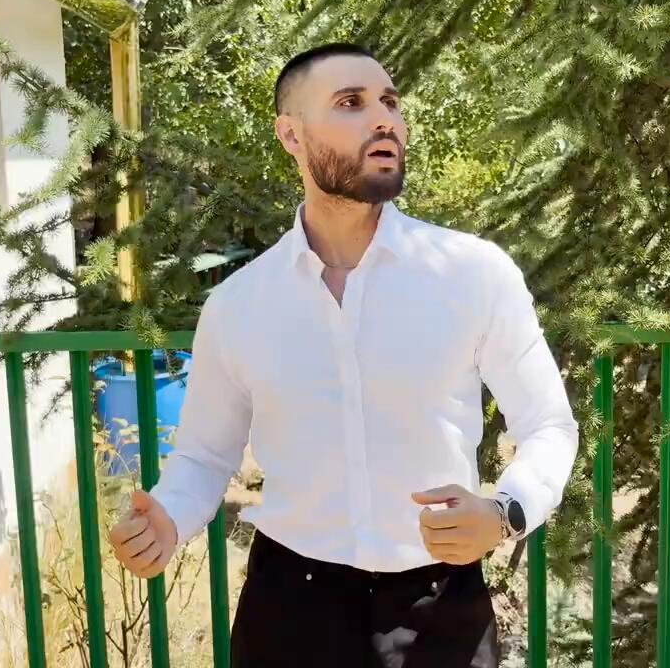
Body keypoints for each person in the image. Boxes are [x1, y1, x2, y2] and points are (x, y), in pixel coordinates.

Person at [108, 43, 578, 668]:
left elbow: (548, 425)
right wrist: (168, 519)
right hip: (288, 615)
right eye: (351, 103)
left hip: (440, 614)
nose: (384, 119)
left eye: (390, 102)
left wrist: (504, 513)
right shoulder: (238, 304)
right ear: (291, 135)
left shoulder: (473, 274)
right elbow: (204, 454)